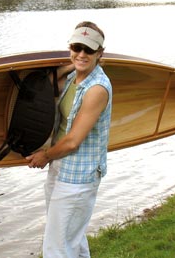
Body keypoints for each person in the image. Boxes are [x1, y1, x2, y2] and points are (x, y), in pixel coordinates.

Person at [27, 21, 112, 258]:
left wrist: (44, 156)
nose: (82, 54)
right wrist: (72, 64)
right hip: (61, 167)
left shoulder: (97, 89)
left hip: (79, 175)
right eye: (77, 47)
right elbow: (47, 82)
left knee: (56, 247)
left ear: (100, 53)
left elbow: (73, 140)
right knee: (71, 240)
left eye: (89, 50)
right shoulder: (76, 76)